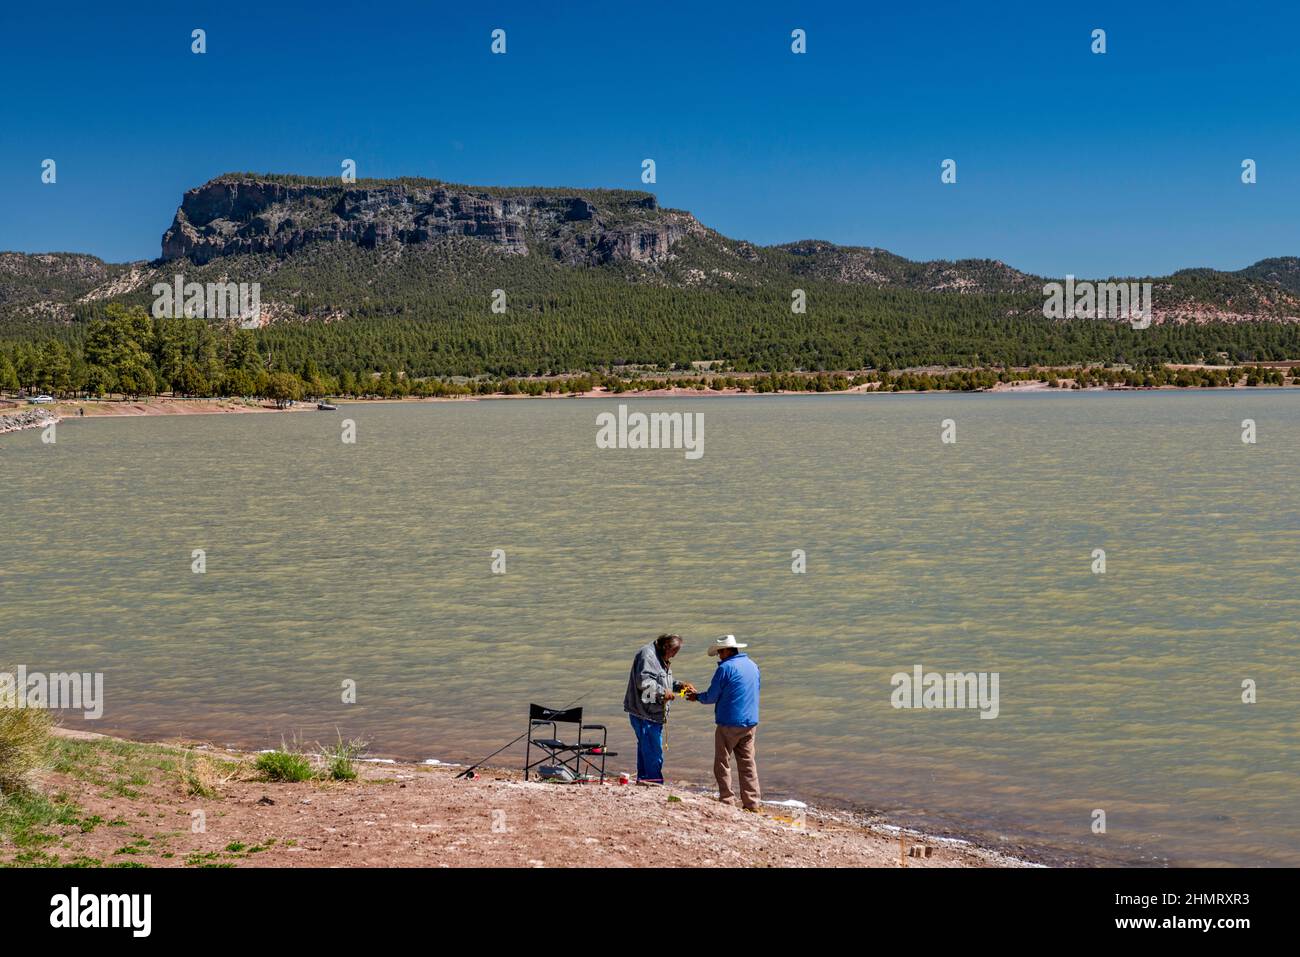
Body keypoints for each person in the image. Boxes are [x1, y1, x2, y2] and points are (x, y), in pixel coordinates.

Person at [687, 634, 761, 810]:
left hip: (729, 722)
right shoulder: (752, 665)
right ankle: (752, 803)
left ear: (727, 650)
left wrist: (696, 697)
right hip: (750, 722)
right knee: (747, 763)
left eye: (720, 652)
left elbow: (711, 696)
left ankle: (727, 800)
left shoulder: (725, 669)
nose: (719, 656)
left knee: (722, 762)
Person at [623, 633, 694, 785]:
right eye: (673, 652)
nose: (674, 656)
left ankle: (644, 781)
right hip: (645, 714)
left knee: (646, 750)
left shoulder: (661, 657)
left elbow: (662, 680)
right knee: (654, 753)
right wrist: (663, 692)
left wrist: (679, 686)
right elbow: (644, 683)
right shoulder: (647, 655)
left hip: (652, 714)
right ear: (665, 646)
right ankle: (654, 783)